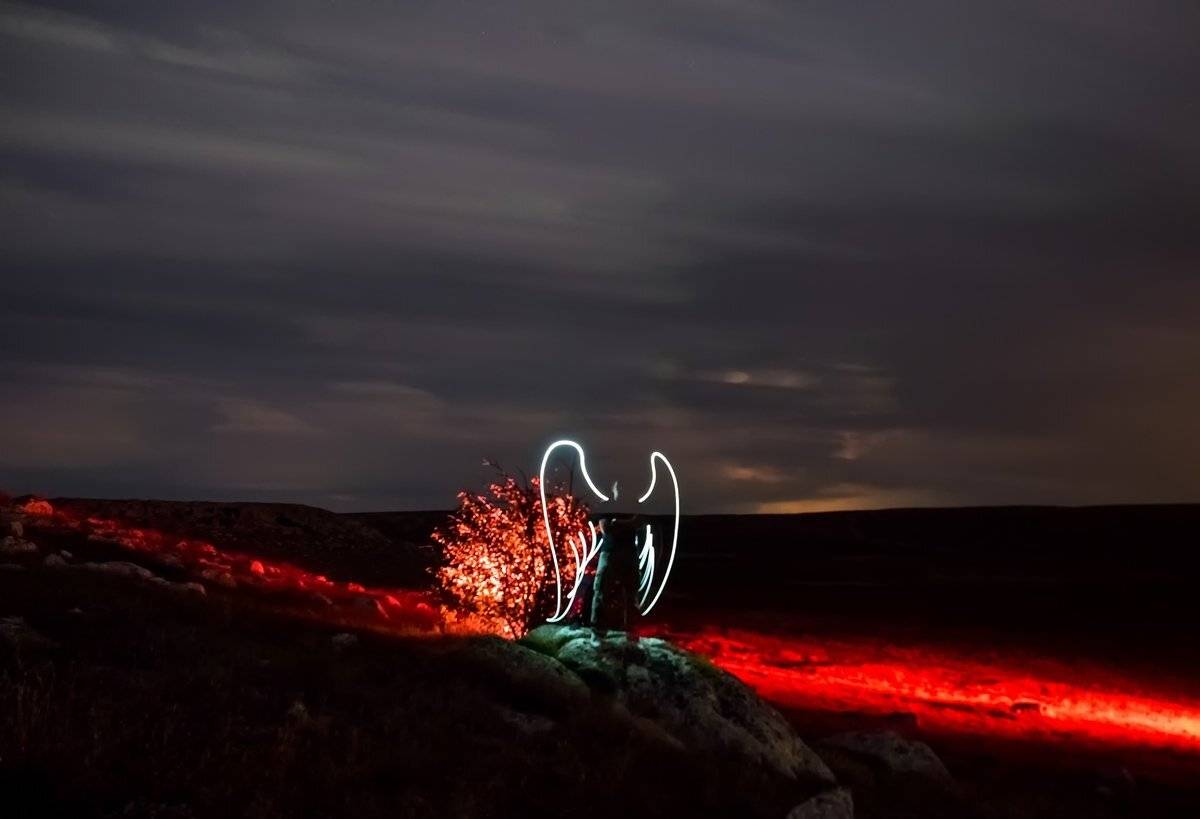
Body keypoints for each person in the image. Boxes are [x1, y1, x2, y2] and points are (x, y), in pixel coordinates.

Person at [589, 514, 640, 633]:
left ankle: (631, 635)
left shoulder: (631, 500)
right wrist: (627, 523)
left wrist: (616, 523)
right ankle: (598, 632)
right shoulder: (610, 501)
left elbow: (639, 521)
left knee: (631, 595)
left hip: (626, 552)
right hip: (611, 551)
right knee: (602, 591)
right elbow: (605, 527)